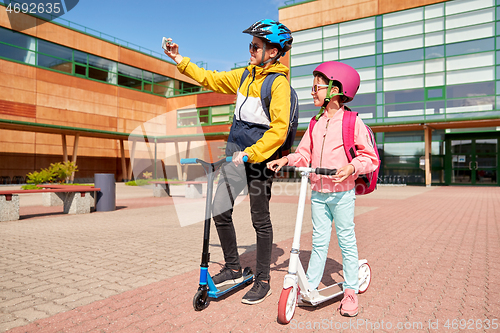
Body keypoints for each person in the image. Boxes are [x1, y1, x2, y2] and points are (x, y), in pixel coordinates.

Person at [164, 19, 293, 305]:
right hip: (235, 155)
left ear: (272, 52)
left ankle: (263, 280)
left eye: (255, 46)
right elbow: (211, 78)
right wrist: (179, 59)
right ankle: (233, 267)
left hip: (258, 161)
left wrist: (251, 154)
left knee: (260, 220)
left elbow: (279, 130)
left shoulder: (279, 84)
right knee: (219, 209)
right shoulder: (245, 76)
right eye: (250, 45)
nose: (250, 49)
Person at [267, 61, 379, 317]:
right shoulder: (316, 123)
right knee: (318, 242)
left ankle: (350, 290)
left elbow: (369, 157)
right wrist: (286, 159)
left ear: (335, 89)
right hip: (318, 192)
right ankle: (312, 285)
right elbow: (304, 153)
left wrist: (351, 167)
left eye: (316, 87)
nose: (312, 92)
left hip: (341, 194)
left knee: (346, 240)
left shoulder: (351, 122)